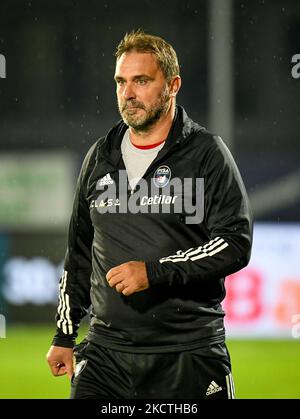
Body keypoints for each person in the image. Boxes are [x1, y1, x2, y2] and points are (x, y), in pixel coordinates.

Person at [46, 29, 253, 399]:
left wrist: (154, 272)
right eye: (121, 82)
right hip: (105, 358)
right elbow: (78, 256)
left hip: (187, 355)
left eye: (141, 81)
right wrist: (64, 335)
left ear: (173, 85)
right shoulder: (99, 157)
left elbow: (235, 242)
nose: (128, 93)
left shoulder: (206, 154)